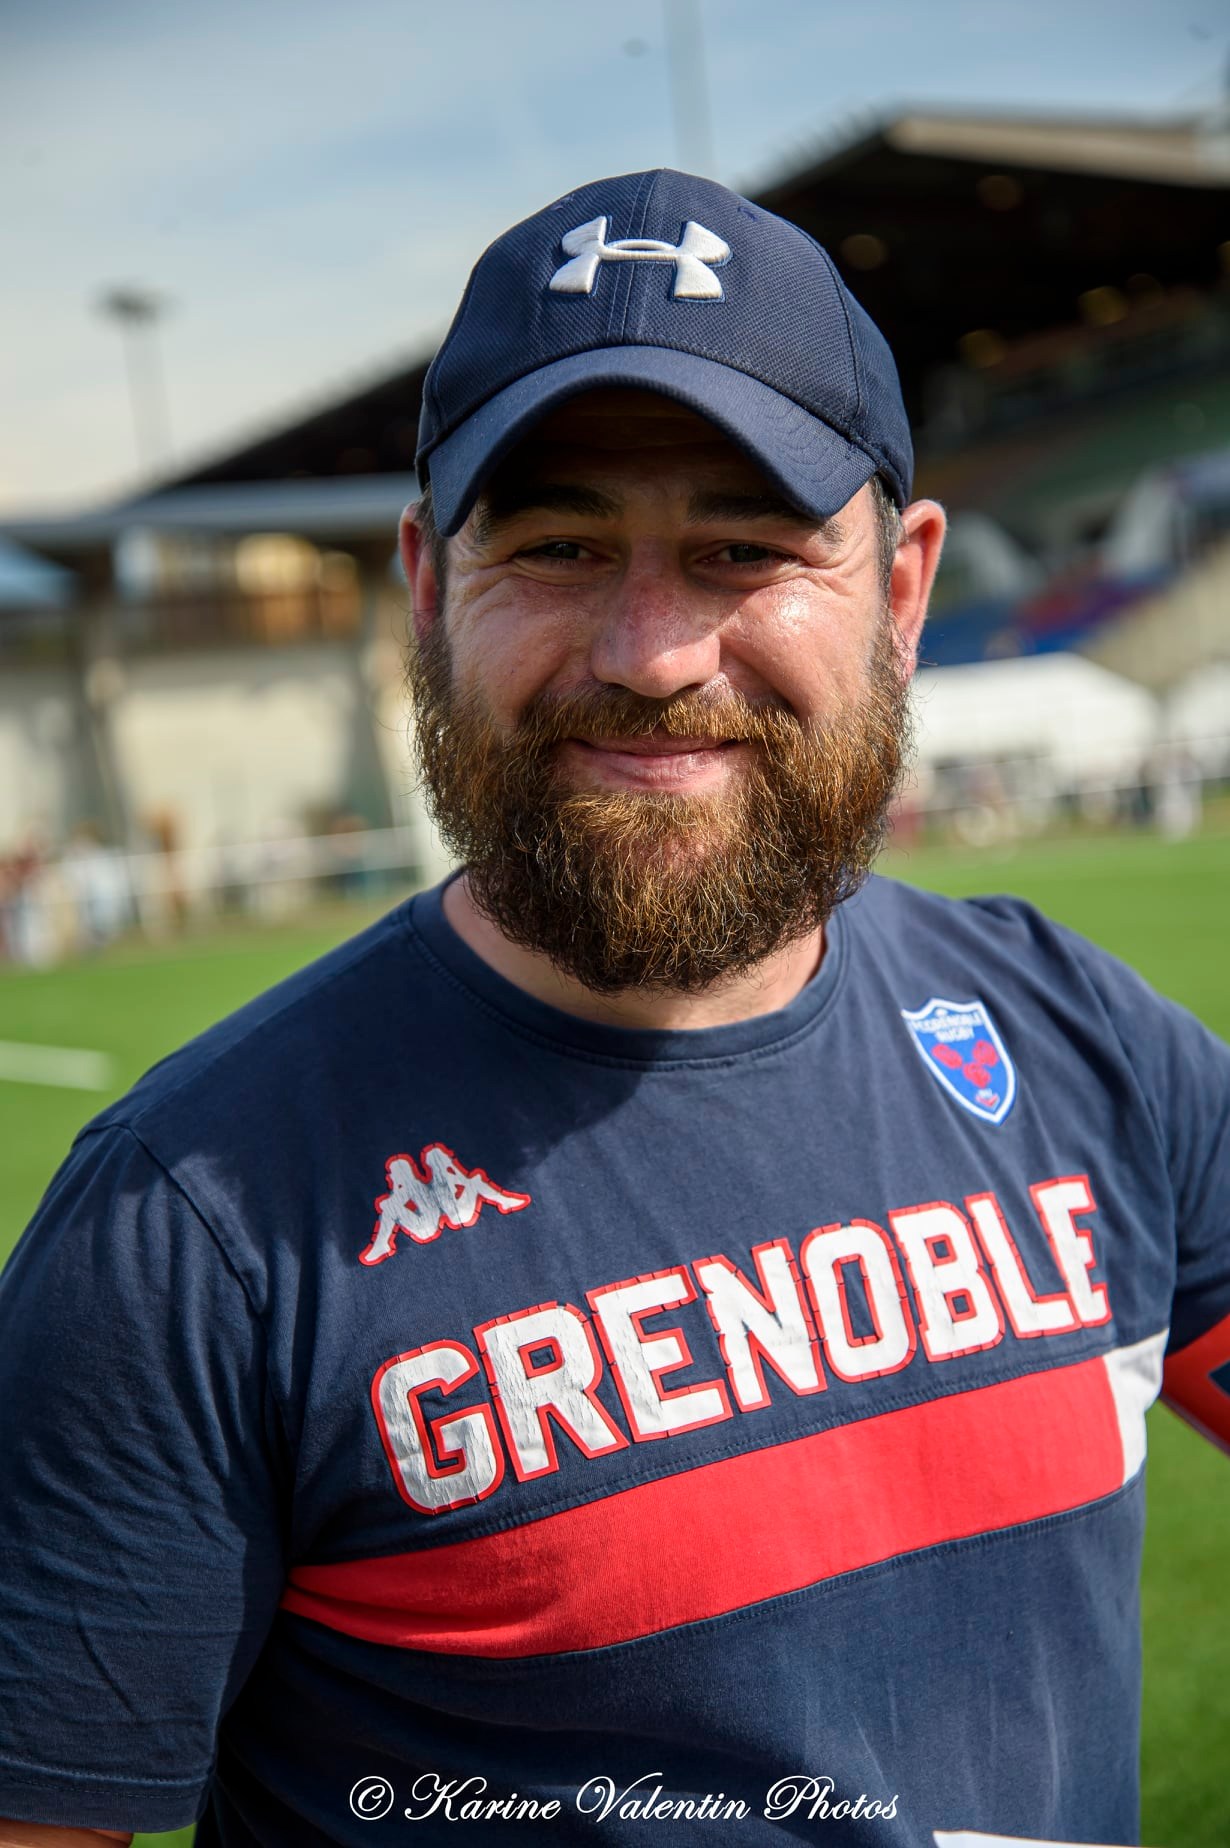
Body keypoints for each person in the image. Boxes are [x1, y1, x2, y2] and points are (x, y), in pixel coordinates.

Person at [0, 169, 1227, 1848]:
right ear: (430, 587)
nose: (652, 652)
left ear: (903, 587)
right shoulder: (183, 1230)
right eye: (562, 547)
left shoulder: (1094, 1049)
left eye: (744, 549)